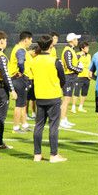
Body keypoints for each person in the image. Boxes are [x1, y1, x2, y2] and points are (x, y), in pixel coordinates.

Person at [29, 35, 67, 163]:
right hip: (53, 96)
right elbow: (63, 79)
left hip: (40, 96)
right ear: (51, 45)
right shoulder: (55, 61)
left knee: (38, 125)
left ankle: (37, 154)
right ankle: (53, 155)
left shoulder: (34, 61)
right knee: (53, 126)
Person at [0, 31, 17, 150]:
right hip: (0, 88)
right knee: (0, 116)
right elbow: (5, 74)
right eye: (5, 40)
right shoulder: (1, 56)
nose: (6, 42)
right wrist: (12, 90)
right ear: (1, 41)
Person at [9, 31, 34, 133]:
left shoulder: (20, 49)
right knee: (19, 105)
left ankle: (24, 124)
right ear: (26, 39)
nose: (31, 42)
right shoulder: (20, 50)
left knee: (23, 104)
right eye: (30, 40)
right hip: (19, 80)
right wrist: (21, 72)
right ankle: (16, 127)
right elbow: (20, 62)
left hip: (20, 79)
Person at [60, 33, 83, 129]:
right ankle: (62, 120)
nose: (77, 41)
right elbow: (69, 65)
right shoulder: (68, 50)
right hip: (68, 77)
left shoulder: (71, 50)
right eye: (76, 39)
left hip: (71, 77)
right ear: (72, 40)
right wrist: (79, 69)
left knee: (68, 99)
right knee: (66, 100)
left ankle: (65, 119)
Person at [72, 41, 91, 113]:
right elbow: (74, 63)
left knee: (84, 93)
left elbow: (90, 65)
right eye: (87, 47)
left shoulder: (89, 56)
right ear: (82, 49)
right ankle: (73, 107)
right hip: (79, 76)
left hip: (87, 76)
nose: (88, 49)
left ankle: (80, 107)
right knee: (76, 92)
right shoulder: (77, 54)